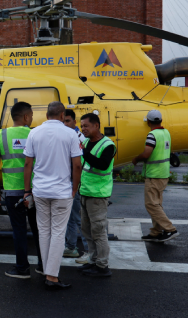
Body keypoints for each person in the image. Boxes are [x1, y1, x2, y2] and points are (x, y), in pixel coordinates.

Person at [23, 101, 82, 290]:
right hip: (62, 191)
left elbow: (28, 164)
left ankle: (46, 270)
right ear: (62, 115)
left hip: (40, 190)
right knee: (58, 232)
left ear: (47, 114)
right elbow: (77, 165)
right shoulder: (70, 134)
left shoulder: (34, 133)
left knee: (44, 231)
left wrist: (27, 190)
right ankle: (52, 276)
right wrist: (74, 188)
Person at [0, 102, 43, 279]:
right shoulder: (35, 134)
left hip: (13, 192)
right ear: (26, 117)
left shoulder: (1, 136)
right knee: (39, 229)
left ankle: (22, 268)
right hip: (35, 191)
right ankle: (43, 266)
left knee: (19, 230)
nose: (32, 119)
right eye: (32, 116)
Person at [78, 113, 115, 277]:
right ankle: (93, 261)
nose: (83, 129)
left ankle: (102, 266)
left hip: (98, 195)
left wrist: (84, 152)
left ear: (96, 126)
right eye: (82, 126)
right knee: (87, 230)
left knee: (99, 231)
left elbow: (102, 165)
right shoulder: (86, 142)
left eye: (86, 126)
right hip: (85, 192)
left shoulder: (108, 145)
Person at [132, 110, 178, 242]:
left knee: (151, 205)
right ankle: (156, 232)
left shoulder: (152, 135)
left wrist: (136, 158)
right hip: (163, 173)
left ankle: (170, 229)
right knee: (156, 204)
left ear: (148, 122)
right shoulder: (166, 132)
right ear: (161, 120)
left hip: (154, 174)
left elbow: (147, 153)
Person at [63, 109, 90, 263]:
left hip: (76, 182)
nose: (65, 124)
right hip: (69, 181)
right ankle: (71, 247)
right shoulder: (69, 135)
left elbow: (79, 164)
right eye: (63, 121)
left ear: (74, 121)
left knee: (79, 218)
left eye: (67, 121)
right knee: (71, 218)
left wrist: (76, 185)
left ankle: (88, 250)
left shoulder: (79, 138)